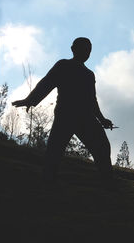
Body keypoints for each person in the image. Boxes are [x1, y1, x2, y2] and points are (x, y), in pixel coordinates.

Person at [13, 37, 114, 184]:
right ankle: (47, 179)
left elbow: (92, 100)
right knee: (55, 149)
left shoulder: (89, 74)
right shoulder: (63, 65)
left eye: (89, 50)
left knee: (102, 146)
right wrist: (30, 100)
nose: (87, 52)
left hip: (85, 118)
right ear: (73, 49)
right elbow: (46, 83)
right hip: (65, 115)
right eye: (84, 49)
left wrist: (102, 119)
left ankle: (107, 181)